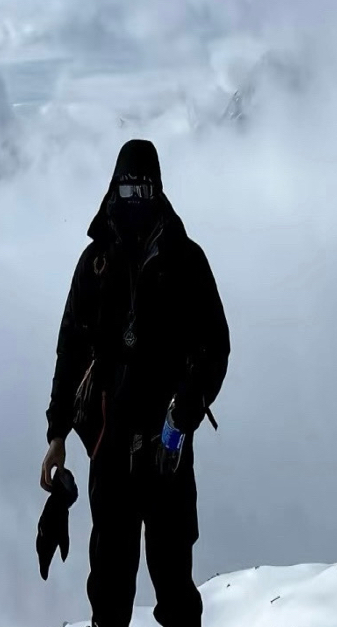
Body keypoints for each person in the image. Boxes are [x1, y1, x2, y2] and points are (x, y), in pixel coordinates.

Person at [41, 139, 230, 627]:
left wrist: (190, 401)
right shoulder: (94, 265)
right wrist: (57, 435)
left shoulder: (186, 260)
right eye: (128, 187)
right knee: (108, 592)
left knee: (175, 590)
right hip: (109, 448)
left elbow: (216, 345)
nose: (135, 198)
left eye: (143, 188)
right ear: (114, 187)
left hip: (168, 447)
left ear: (158, 189)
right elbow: (70, 351)